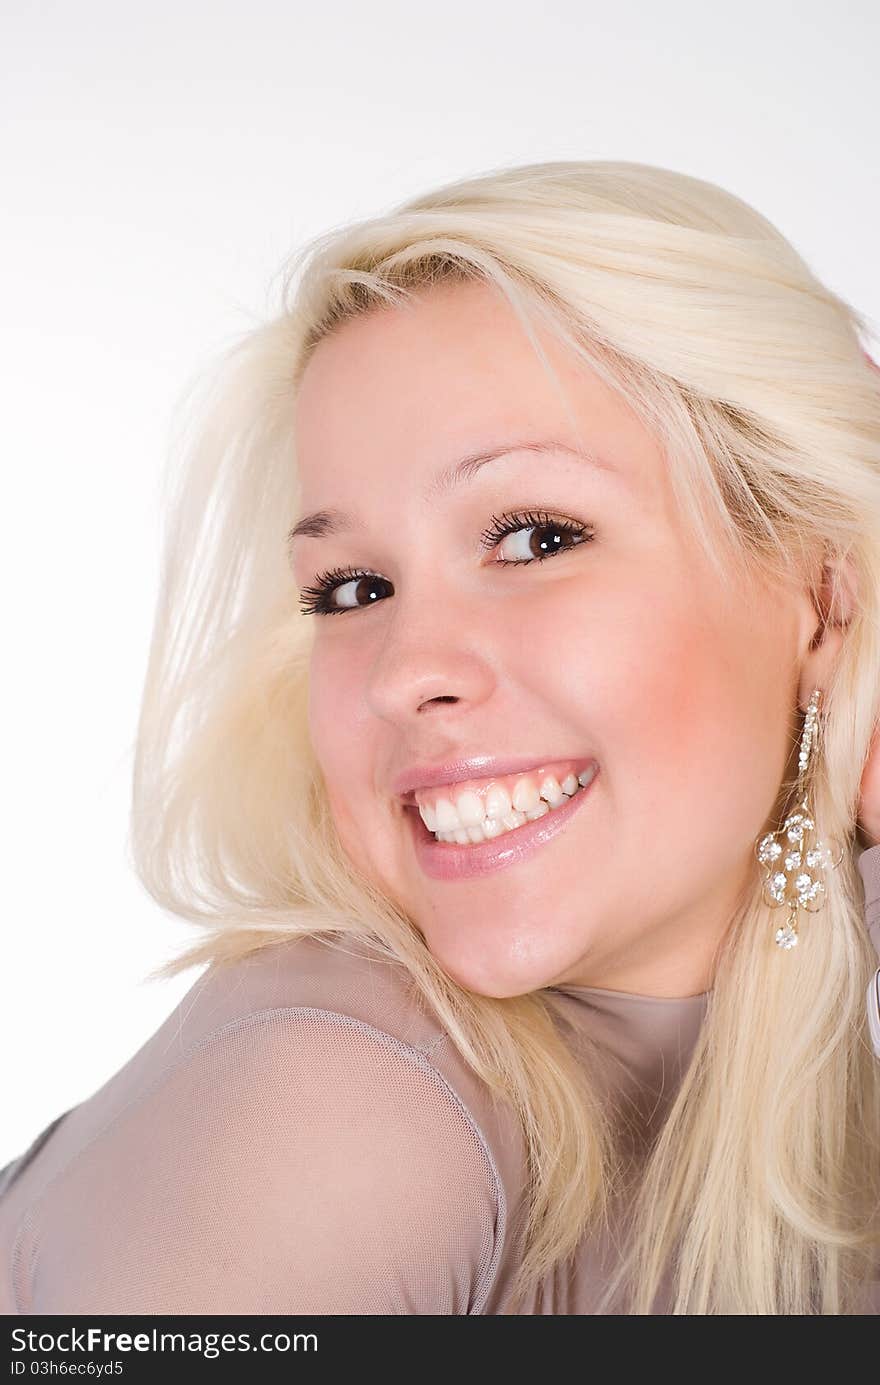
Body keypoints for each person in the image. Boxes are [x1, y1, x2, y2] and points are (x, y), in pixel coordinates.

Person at [2, 159, 880, 1315]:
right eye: (353, 587)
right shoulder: (342, 1102)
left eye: (529, 538)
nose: (406, 671)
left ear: (820, 597)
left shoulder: (815, 1045)